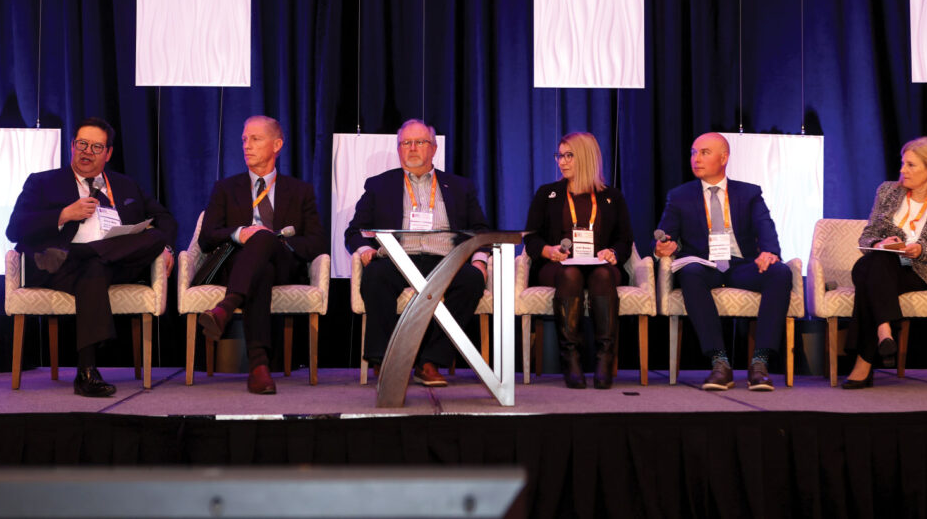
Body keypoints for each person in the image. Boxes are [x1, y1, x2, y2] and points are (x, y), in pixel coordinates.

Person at [6, 117, 177, 397]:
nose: (87, 152)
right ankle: (86, 371)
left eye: (96, 147)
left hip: (114, 261)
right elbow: (15, 229)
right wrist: (64, 214)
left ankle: (92, 252)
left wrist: (167, 249)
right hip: (58, 265)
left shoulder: (125, 186)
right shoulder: (43, 182)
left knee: (153, 239)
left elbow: (164, 219)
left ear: (108, 153)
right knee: (95, 269)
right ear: (73, 146)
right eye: (82, 144)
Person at [344, 119, 489, 387]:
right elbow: (354, 231)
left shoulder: (459, 186)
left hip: (445, 261)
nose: (412, 148)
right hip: (399, 259)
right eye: (406, 143)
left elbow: (480, 229)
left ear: (433, 149)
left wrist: (480, 261)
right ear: (399, 149)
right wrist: (365, 249)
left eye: (420, 142)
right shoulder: (379, 185)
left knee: (471, 280)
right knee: (375, 276)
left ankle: (430, 361)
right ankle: (384, 359)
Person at [197, 115, 327, 395]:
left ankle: (226, 308)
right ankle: (259, 366)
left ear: (277, 144)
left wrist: (278, 243)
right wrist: (239, 233)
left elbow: (317, 241)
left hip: (284, 261)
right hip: (237, 264)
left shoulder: (300, 191)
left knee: (266, 239)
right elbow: (206, 237)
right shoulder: (225, 188)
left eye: (255, 139)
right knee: (261, 270)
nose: (247, 145)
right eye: (244, 139)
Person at [654, 132, 791, 391]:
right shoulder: (680, 195)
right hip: (704, 266)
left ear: (724, 158)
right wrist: (663, 247)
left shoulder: (748, 193)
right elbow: (664, 236)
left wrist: (769, 252)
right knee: (690, 273)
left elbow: (766, 227)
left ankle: (760, 363)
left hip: (741, 265)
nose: (696, 158)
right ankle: (720, 364)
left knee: (780, 272)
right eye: (694, 152)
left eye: (705, 152)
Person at [842, 136, 927, 389]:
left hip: (919, 271)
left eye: (911, 165)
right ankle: (884, 331)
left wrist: (921, 249)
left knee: (867, 273)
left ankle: (866, 359)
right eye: (903, 163)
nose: (902, 170)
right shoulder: (888, 190)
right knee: (877, 261)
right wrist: (880, 243)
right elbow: (867, 235)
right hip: (884, 264)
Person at [523, 132, 633, 389]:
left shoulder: (612, 197)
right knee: (571, 272)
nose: (562, 161)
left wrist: (613, 254)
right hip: (558, 266)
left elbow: (625, 240)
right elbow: (531, 238)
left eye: (569, 155)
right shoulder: (547, 193)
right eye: (559, 156)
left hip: (599, 266)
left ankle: (605, 357)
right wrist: (548, 251)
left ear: (585, 157)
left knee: (603, 275)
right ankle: (570, 358)